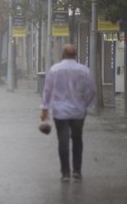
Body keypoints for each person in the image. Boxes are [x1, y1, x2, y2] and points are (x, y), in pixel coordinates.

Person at [40, 44, 96, 182]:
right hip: (78, 112)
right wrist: (85, 105)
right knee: (77, 140)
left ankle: (65, 173)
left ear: (63, 54)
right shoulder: (84, 70)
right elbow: (92, 91)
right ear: (75, 55)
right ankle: (77, 171)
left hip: (60, 112)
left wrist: (44, 109)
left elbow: (47, 91)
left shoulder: (54, 70)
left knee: (62, 141)